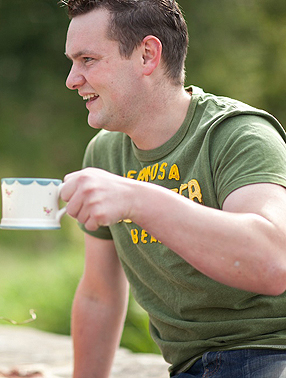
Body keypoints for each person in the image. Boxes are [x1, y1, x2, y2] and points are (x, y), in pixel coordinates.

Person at [59, 1, 286, 377]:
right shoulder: (104, 154)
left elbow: (273, 261)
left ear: (147, 55)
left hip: (272, 353)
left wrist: (136, 199)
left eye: (87, 60)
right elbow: (99, 295)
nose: (71, 79)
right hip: (188, 367)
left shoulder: (240, 135)